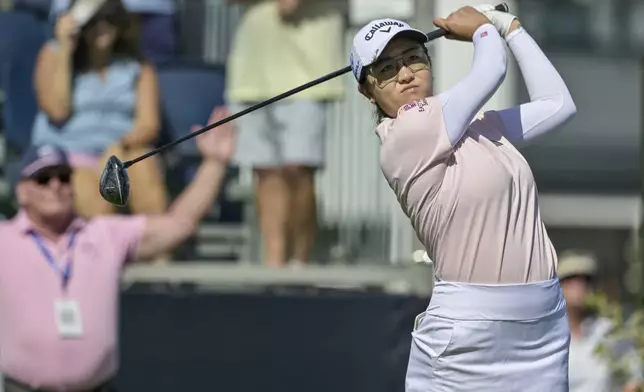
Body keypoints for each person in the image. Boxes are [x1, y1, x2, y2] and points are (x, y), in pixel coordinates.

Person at [350, 5, 576, 391]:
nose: (405, 74)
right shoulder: (405, 135)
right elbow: (491, 69)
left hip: (542, 328)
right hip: (469, 333)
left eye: (413, 59)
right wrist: (484, 31)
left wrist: (512, 28)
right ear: (367, 91)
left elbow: (557, 105)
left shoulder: (477, 126)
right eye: (386, 69)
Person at [0, 107, 235, 392]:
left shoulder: (103, 233)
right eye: (43, 178)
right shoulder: (5, 240)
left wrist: (215, 163)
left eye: (63, 177)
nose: (55, 186)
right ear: (22, 190)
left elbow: (180, 224)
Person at [225, 0, 344, 267]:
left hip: (309, 72)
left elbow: (288, 6)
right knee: (265, 172)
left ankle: (300, 263)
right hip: (253, 68)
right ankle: (275, 265)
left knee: (298, 169)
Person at [32, 0, 167, 220]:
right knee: (89, 193)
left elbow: (149, 125)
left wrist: (120, 145)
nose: (102, 26)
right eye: (94, 20)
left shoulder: (139, 67)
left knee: (142, 167)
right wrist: (65, 47)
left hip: (120, 150)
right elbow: (57, 111)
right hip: (67, 153)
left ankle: (160, 246)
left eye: (110, 18)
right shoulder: (53, 54)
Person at [559, 250, 643, 392]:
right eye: (571, 279)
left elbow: (633, 378)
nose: (579, 286)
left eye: (586, 280)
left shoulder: (610, 332)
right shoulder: (546, 337)